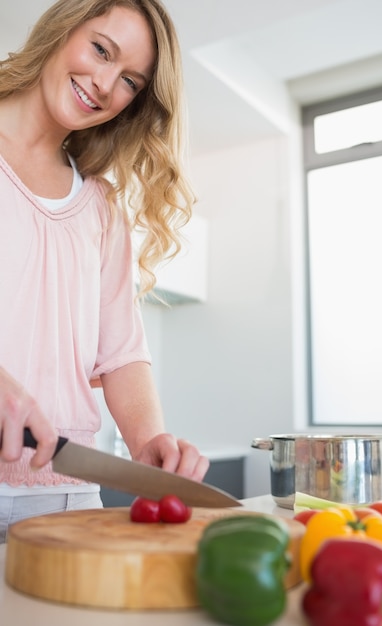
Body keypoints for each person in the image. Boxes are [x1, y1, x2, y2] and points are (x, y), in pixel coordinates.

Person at [0, 0, 210, 542]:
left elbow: (121, 355)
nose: (103, 84)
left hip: (67, 494)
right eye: (100, 49)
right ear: (62, 27)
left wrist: (147, 443)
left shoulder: (101, 206)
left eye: (129, 81)